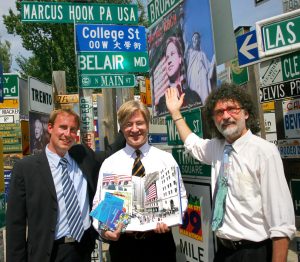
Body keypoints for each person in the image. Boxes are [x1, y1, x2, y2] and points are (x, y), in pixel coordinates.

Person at [165, 84, 296, 262]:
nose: (226, 116)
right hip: (224, 251)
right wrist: (175, 113)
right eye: (219, 112)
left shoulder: (264, 152)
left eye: (232, 109)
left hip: (253, 252)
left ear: (246, 113)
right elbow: (192, 143)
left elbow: (281, 222)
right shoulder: (217, 147)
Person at [6, 108, 125, 262]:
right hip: (47, 253)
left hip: (82, 250)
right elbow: (16, 224)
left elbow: (110, 154)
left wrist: (127, 124)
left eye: (73, 129)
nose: (67, 134)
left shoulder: (83, 157)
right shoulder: (26, 168)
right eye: (63, 127)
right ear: (50, 128)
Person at [92, 100, 187, 262]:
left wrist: (170, 219)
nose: (135, 129)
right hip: (123, 246)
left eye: (139, 123)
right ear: (121, 128)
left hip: (160, 244)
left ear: (147, 125)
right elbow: (99, 204)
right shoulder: (111, 163)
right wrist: (105, 230)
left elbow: (181, 198)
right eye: (128, 124)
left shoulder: (166, 159)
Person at [155, 36, 201, 115]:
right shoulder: (162, 101)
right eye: (167, 58)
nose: (169, 61)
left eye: (172, 54)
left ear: (180, 58)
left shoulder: (193, 96)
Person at [186, 32, 216, 103]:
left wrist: (214, 58)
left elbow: (209, 69)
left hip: (202, 81)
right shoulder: (189, 53)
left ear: (199, 40)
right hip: (192, 81)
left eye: (197, 38)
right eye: (194, 38)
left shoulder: (202, 54)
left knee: (204, 99)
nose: (196, 40)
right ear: (192, 40)